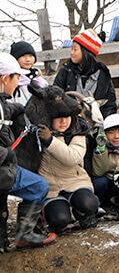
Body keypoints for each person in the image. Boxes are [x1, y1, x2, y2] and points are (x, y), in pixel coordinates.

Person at [0, 53, 56, 251]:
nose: (18, 83)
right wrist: (6, 155)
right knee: (38, 186)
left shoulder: (3, 104)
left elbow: (10, 111)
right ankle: (25, 233)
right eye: (17, 78)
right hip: (2, 166)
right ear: (6, 79)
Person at [37, 89, 100, 233]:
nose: (63, 121)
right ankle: (49, 214)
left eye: (67, 116)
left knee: (89, 203)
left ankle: (82, 212)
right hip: (50, 186)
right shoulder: (38, 133)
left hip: (75, 180)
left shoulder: (78, 131)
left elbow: (72, 158)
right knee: (60, 219)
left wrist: (50, 141)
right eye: (58, 117)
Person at [53, 29, 117, 117]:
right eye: (71, 49)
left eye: (75, 49)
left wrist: (106, 123)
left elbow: (110, 103)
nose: (72, 53)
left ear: (86, 52)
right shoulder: (66, 71)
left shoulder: (103, 73)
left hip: (98, 123)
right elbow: (55, 96)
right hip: (71, 124)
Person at [90, 114, 119, 220]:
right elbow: (99, 171)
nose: (116, 137)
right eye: (111, 132)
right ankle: (101, 204)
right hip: (109, 182)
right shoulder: (102, 147)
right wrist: (101, 149)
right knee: (99, 182)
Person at [9, 41, 48, 105]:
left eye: (30, 56)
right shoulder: (12, 80)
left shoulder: (38, 79)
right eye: (23, 56)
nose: (28, 59)